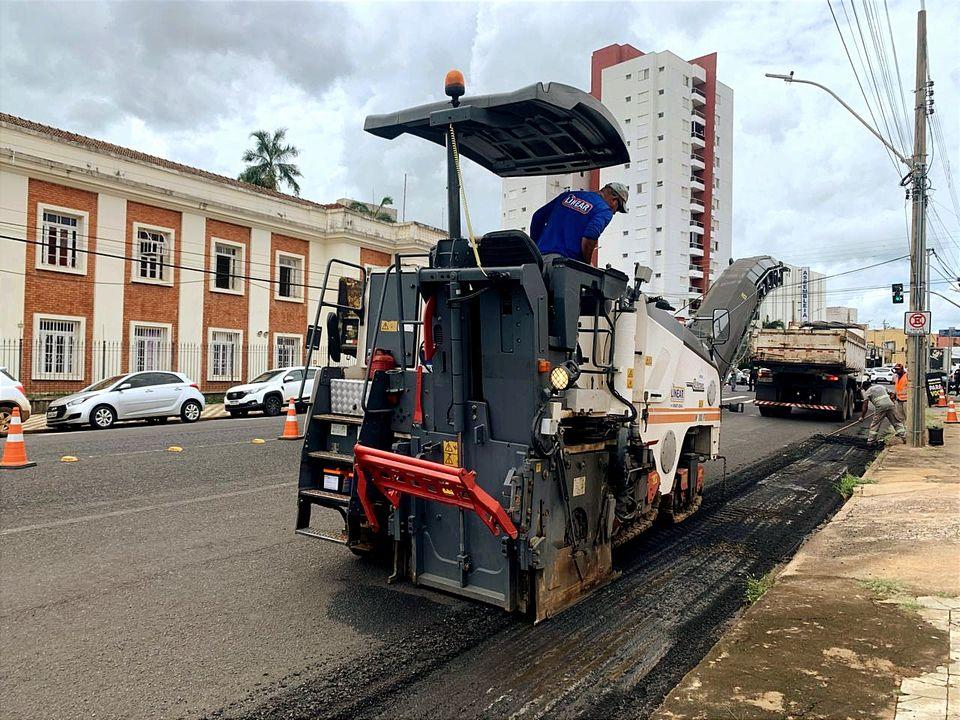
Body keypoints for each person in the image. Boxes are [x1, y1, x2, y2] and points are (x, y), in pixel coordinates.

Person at [529, 182, 628, 264]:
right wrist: (587, 265)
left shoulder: (567, 196)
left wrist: (536, 249)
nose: (614, 212)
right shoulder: (604, 210)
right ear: (614, 200)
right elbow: (590, 236)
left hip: (538, 262)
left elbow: (537, 217)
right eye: (618, 208)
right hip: (564, 265)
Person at [859, 379, 906, 445]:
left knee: (875, 424)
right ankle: (905, 437)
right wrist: (890, 400)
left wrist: (862, 416)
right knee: (896, 422)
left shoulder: (867, 392)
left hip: (880, 407)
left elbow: (865, 405)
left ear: (865, 387)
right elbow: (893, 393)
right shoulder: (880, 387)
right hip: (890, 405)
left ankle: (870, 441)